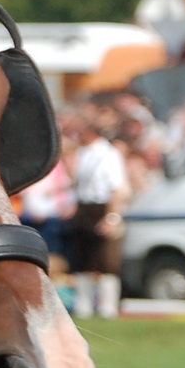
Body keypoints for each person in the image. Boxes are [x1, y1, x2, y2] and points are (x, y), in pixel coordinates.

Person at [66, 114, 130, 319]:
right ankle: (84, 305)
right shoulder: (83, 154)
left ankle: (107, 307)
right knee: (83, 259)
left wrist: (112, 217)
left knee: (107, 260)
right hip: (85, 207)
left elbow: (116, 189)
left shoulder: (109, 154)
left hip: (102, 207)